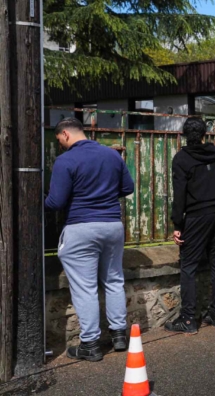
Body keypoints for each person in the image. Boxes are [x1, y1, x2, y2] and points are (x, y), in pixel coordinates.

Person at [45, 117, 135, 361]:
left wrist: (40, 199)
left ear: (64, 134)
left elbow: (56, 202)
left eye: (59, 140)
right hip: (112, 226)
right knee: (114, 279)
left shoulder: (66, 161)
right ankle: (118, 335)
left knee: (85, 288)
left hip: (81, 227)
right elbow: (128, 188)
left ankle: (90, 344)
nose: (60, 145)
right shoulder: (112, 155)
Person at [164, 118, 215, 335]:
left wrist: (177, 224)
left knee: (189, 266)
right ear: (205, 133)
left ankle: (188, 318)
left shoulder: (182, 159)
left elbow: (180, 194)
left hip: (197, 216)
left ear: (185, 134)